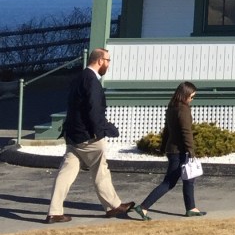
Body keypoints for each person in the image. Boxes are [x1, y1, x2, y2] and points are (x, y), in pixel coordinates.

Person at [45, 47, 134, 223]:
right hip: (88, 136)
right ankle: (113, 207)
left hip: (73, 134)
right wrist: (103, 130)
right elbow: (94, 109)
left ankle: (54, 212)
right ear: (100, 61)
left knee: (66, 172)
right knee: (100, 169)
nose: (108, 64)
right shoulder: (92, 81)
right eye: (107, 61)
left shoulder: (78, 78)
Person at [132, 81, 205, 219]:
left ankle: (191, 208)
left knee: (189, 179)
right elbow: (186, 132)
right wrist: (191, 151)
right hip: (180, 151)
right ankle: (143, 207)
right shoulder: (183, 109)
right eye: (191, 96)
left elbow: (167, 130)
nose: (192, 99)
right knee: (169, 182)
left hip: (173, 149)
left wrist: (163, 147)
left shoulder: (172, 107)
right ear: (185, 95)